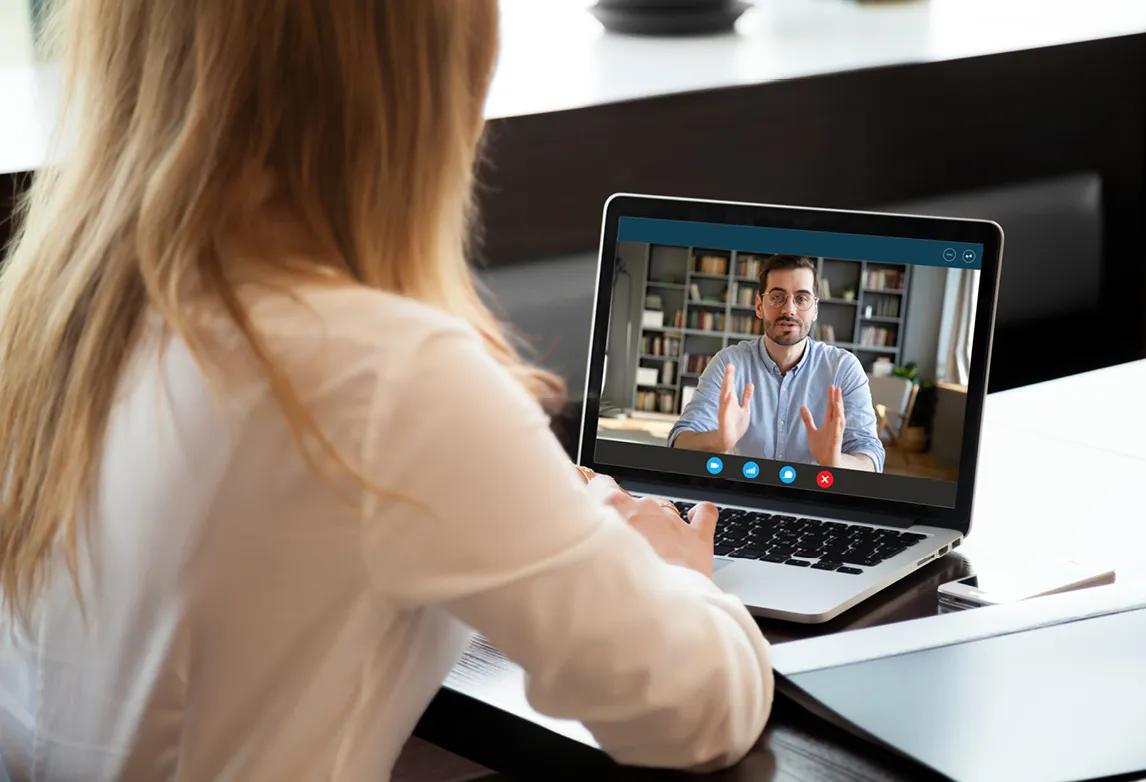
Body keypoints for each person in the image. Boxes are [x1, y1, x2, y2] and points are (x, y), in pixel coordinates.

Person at [0, 2, 773, 779]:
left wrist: (539, 532)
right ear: (426, 78)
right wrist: (668, 576)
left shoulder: (47, 320)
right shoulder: (381, 376)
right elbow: (693, 711)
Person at [670, 255, 885, 473]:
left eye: (801, 299)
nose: (789, 310)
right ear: (759, 305)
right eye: (777, 297)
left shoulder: (844, 368)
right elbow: (679, 441)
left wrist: (835, 461)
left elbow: (871, 459)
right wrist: (718, 440)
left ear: (815, 309)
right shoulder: (728, 364)